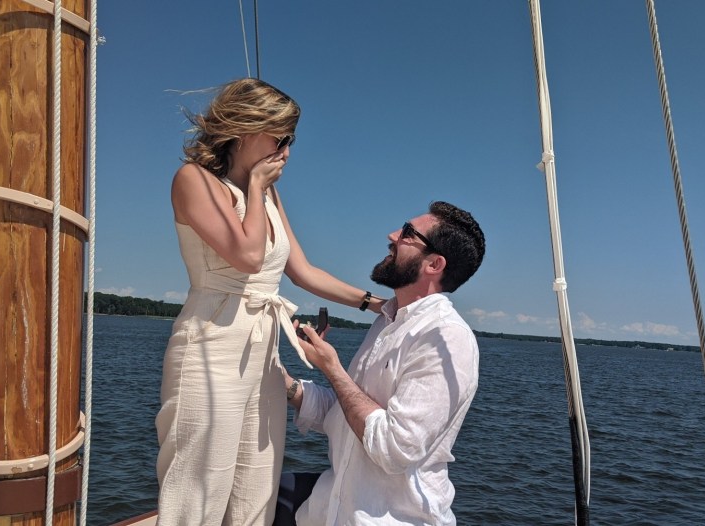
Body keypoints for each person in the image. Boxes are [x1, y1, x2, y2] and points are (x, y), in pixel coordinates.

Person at [156, 78, 385, 525]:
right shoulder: (194, 180)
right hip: (210, 344)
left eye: (291, 140)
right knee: (197, 491)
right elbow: (246, 256)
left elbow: (302, 271)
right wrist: (257, 188)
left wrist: (376, 304)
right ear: (245, 129)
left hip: (262, 354)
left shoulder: (269, 196)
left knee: (255, 490)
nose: (286, 151)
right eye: (280, 137)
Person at [278, 201, 486, 526]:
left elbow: (393, 449)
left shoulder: (446, 338)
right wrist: (286, 385)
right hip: (326, 510)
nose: (392, 236)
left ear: (434, 264)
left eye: (406, 233)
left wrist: (332, 369)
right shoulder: (386, 321)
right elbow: (347, 412)